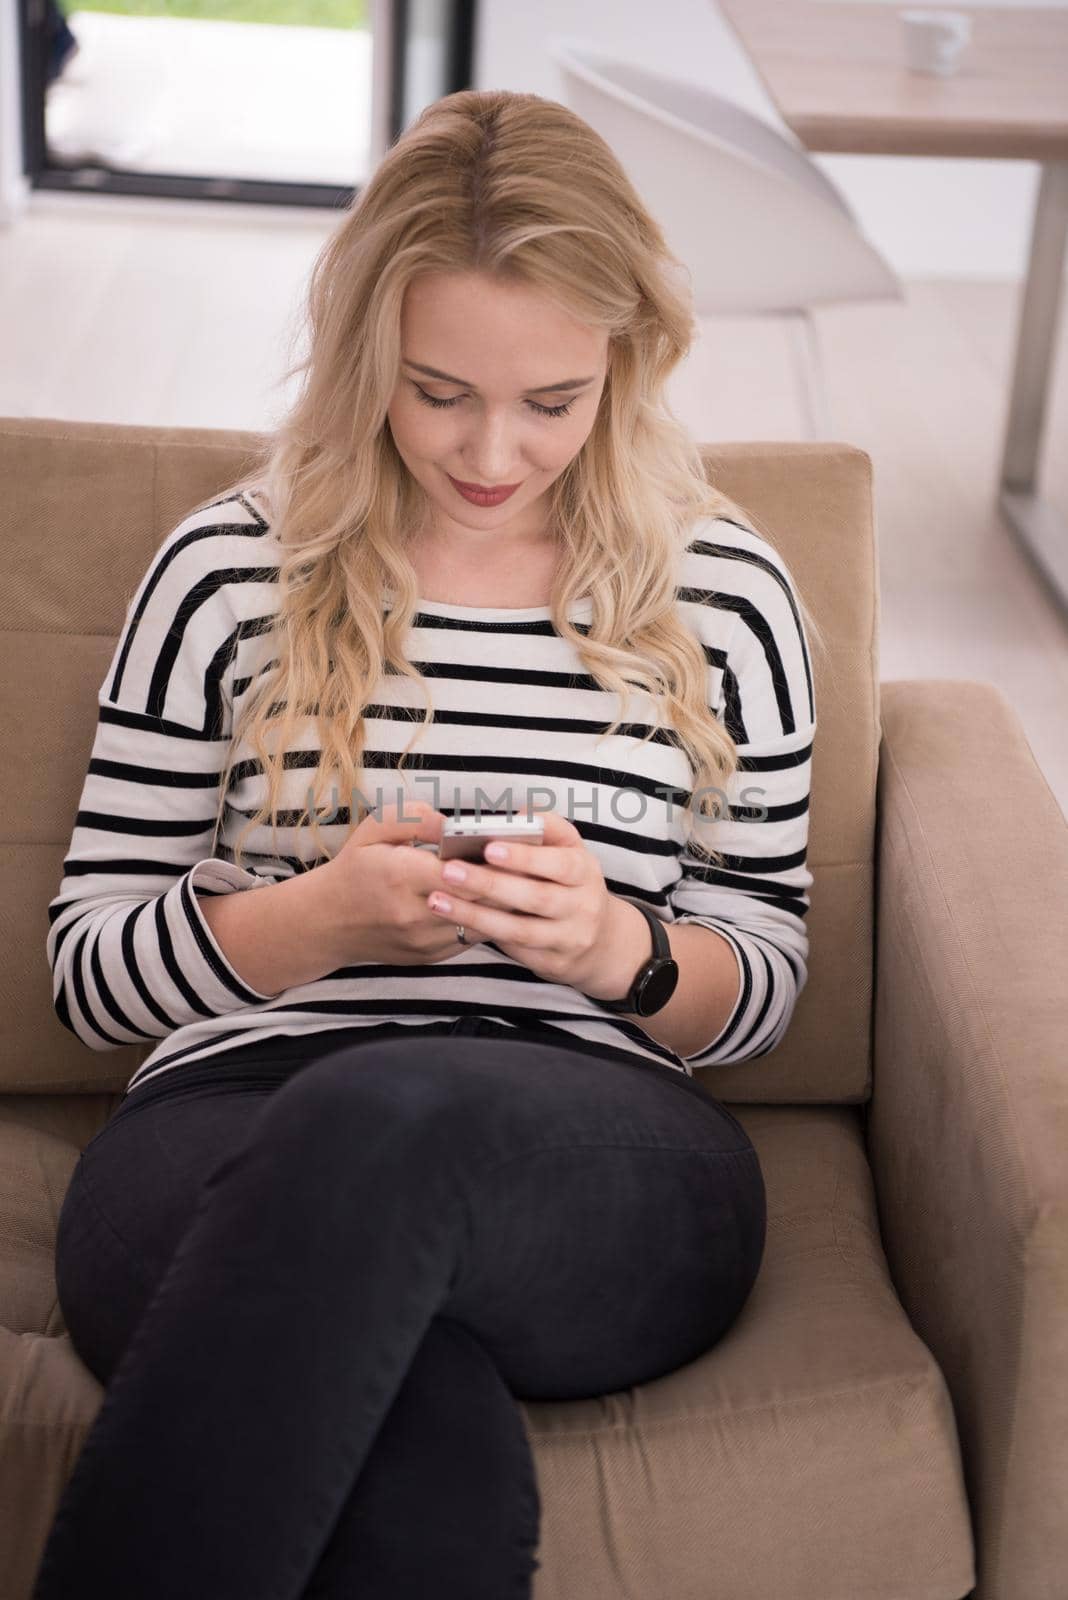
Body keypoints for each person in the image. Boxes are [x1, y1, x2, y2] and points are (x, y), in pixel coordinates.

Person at [32, 88, 822, 1599]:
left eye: (554, 399)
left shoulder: (727, 593)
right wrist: (311, 923)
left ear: (628, 360)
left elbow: (768, 979)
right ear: (363, 357)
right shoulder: (226, 568)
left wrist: (615, 948)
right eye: (438, 388)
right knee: (410, 1437)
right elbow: (89, 979)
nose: (492, 452)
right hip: (223, 1135)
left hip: (599, 1142)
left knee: (389, 1118)